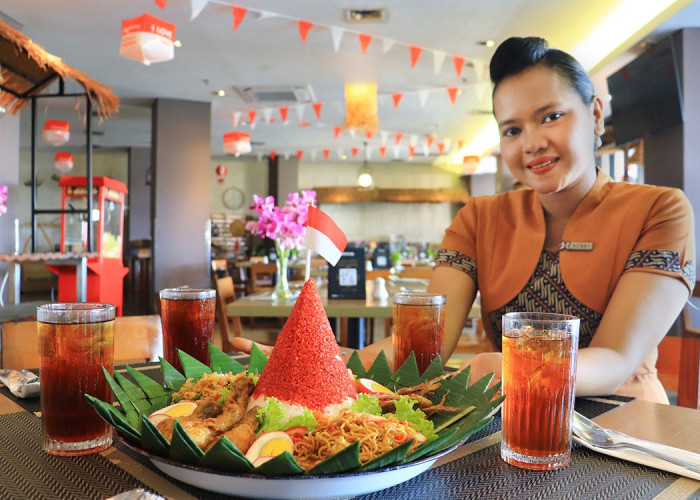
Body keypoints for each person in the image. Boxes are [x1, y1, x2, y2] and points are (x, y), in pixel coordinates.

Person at [232, 36, 696, 404]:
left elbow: (615, 358)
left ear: (595, 114)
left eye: (550, 116)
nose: (531, 142)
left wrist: (515, 365)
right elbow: (419, 351)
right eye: (512, 129)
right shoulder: (480, 216)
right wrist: (320, 359)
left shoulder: (661, 209)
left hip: (621, 426)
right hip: (512, 424)